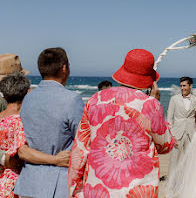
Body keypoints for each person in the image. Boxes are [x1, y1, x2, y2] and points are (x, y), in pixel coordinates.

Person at [68, 49, 175, 197]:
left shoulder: (95, 99)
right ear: (150, 81)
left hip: (98, 189)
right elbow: (166, 145)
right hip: (138, 190)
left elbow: (80, 150)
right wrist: (157, 105)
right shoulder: (150, 105)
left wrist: (74, 189)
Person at [14, 47, 85, 198]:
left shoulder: (28, 98)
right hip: (58, 184)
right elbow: (83, 140)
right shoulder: (71, 100)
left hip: (29, 183)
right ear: (64, 68)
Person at [0, 73, 71, 198]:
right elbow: (23, 152)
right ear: (28, 93)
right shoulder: (22, 121)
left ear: (4, 96)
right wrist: (56, 160)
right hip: (19, 182)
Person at [167, 77, 196, 176]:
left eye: (184, 86)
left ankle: (187, 183)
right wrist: (172, 135)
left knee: (190, 160)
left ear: (190, 86)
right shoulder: (174, 99)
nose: (182, 88)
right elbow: (169, 119)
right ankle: (171, 184)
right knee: (174, 160)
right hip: (177, 133)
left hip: (191, 133)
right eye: (181, 86)